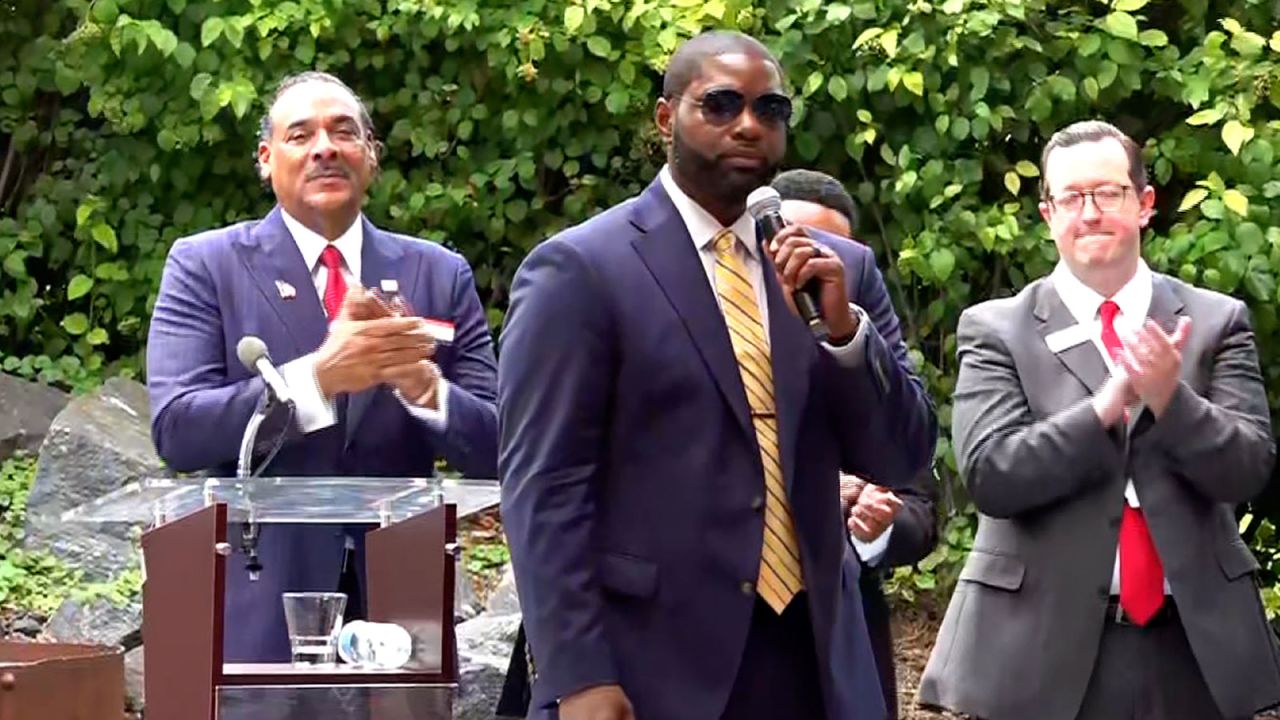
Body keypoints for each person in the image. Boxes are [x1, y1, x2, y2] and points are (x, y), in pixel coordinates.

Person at [498, 31, 936, 720]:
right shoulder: (581, 270)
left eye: (771, 110)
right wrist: (575, 674)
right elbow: (545, 487)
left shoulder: (837, 270)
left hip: (815, 655)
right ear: (667, 118)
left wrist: (846, 337)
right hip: (652, 660)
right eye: (722, 104)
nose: (749, 125)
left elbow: (903, 456)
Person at [917, 120, 1280, 720]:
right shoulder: (997, 328)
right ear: (1047, 215)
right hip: (1038, 648)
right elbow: (992, 476)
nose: (1089, 213)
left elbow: (1247, 470)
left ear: (1144, 205)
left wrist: (1173, 400)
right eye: (1071, 198)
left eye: (1107, 194)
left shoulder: (1216, 322)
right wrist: (1103, 409)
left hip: (1192, 648)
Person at [146, 71, 498, 662]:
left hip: (401, 618)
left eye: (343, 132)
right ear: (265, 159)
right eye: (300, 135)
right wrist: (315, 380)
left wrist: (422, 386)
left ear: (371, 157)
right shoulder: (206, 266)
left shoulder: (438, 274)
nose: (325, 148)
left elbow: (500, 444)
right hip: (256, 613)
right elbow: (178, 431)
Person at [773, 168, 940, 720]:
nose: (802, 261)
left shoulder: (867, 357)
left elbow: (920, 504)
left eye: (825, 249)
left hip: (845, 635)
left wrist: (876, 525)